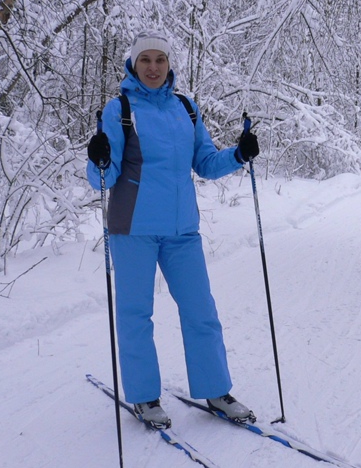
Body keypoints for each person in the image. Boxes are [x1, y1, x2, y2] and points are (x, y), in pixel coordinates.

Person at [86, 30, 259, 428]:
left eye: (159, 60)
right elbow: (103, 178)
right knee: (135, 314)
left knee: (202, 311)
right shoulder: (120, 109)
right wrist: (96, 158)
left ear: (169, 65)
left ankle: (216, 390)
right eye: (145, 60)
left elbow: (205, 162)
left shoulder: (186, 107)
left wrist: (238, 154)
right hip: (133, 228)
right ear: (133, 64)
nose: (152, 67)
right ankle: (145, 398)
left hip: (182, 230)